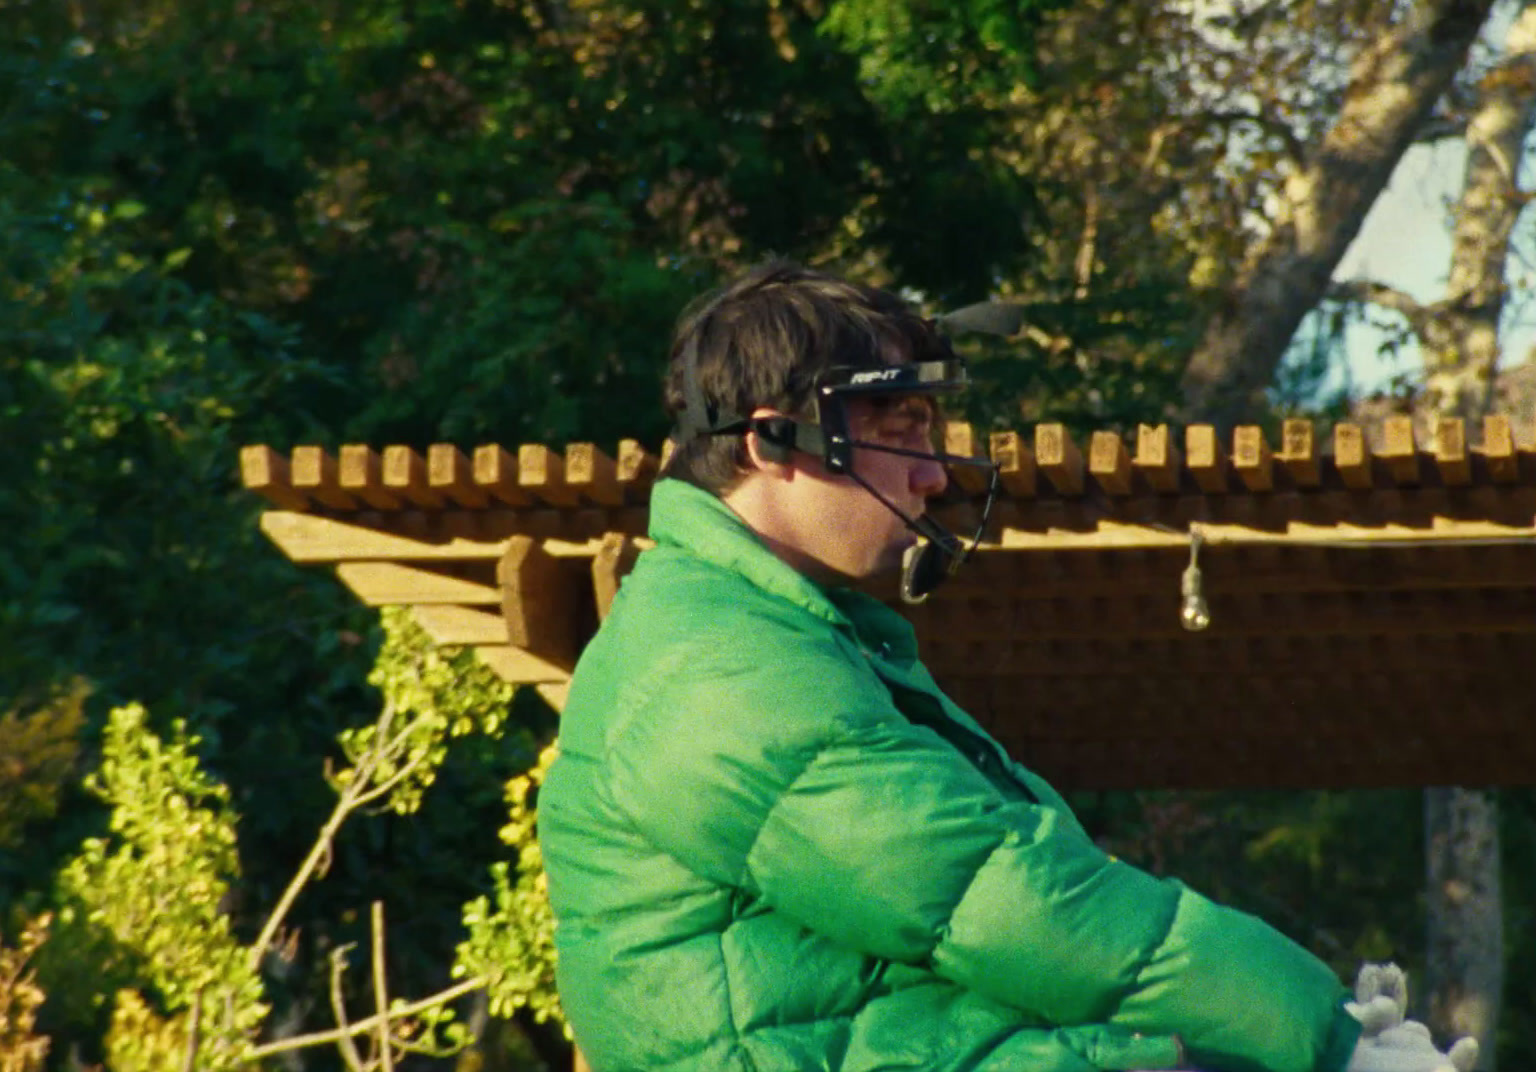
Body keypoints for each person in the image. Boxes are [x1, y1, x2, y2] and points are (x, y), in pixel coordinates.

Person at [538, 261, 1477, 1072]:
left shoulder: (774, 631)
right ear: (770, 440)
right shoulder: (717, 667)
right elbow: (1002, 900)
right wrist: (1326, 1037)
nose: (935, 473)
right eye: (899, 432)